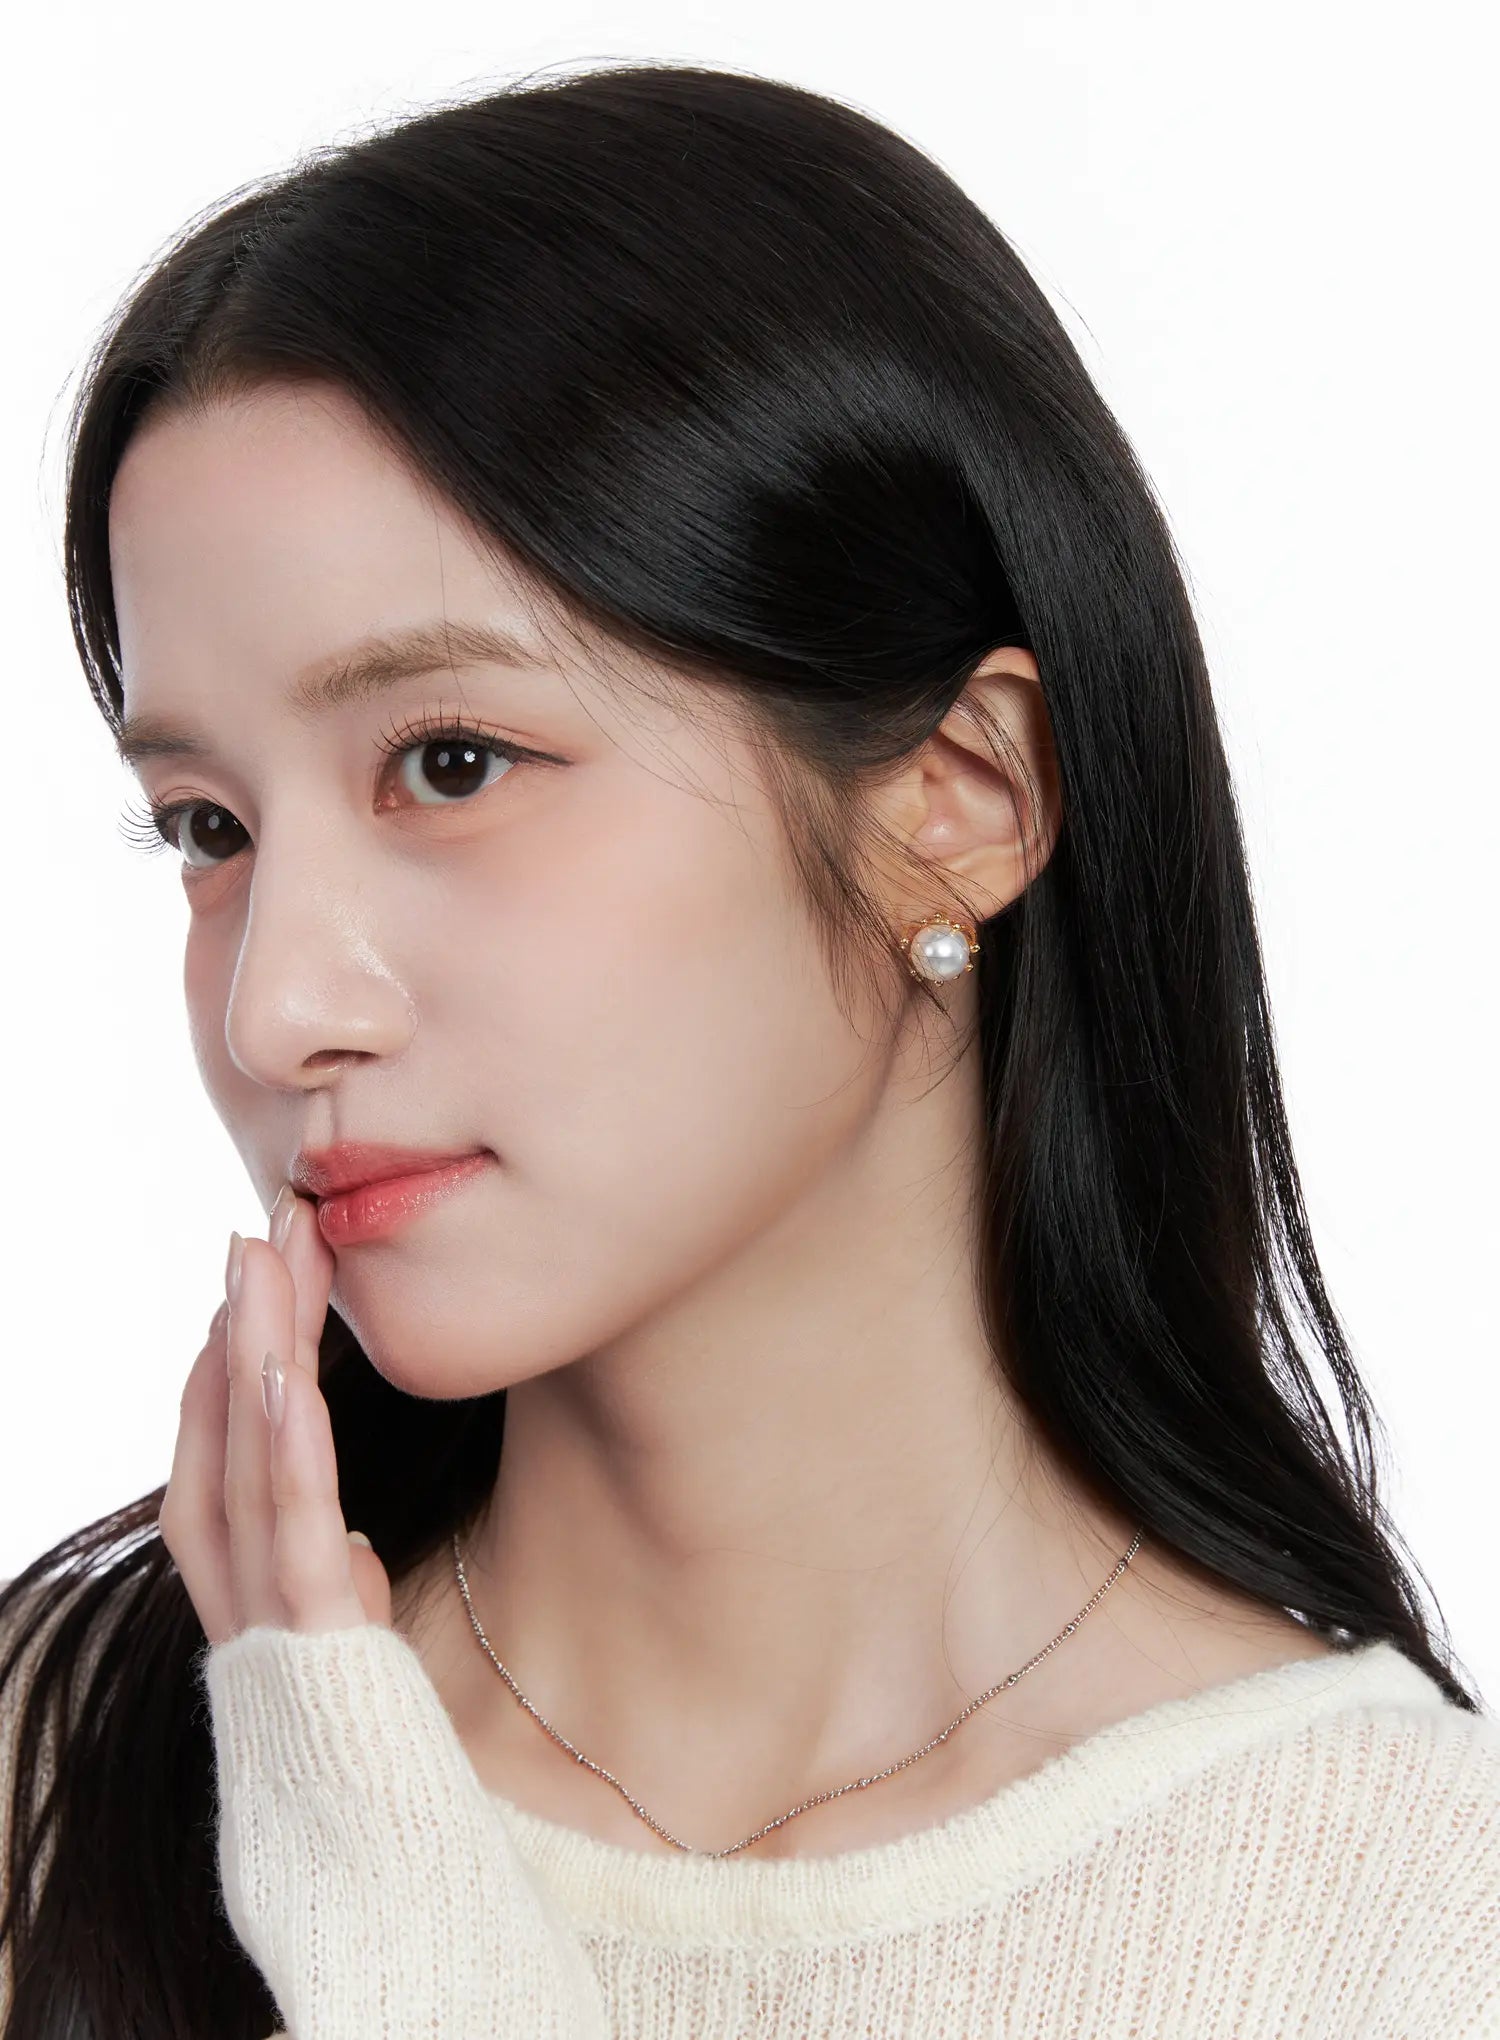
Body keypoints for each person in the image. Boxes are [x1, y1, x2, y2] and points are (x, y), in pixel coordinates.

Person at [2, 59, 1496, 2040]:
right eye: (210, 825)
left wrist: (399, 1926)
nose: (277, 1009)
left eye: (451, 765)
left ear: (959, 800)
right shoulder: (51, 1782)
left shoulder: (1409, 1926)